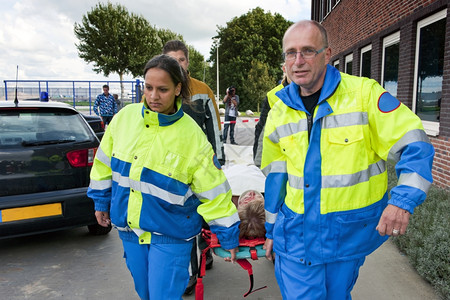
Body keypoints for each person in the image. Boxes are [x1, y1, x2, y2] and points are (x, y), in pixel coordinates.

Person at [261, 20, 435, 299]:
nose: (298, 61)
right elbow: (276, 177)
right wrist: (271, 230)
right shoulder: (279, 110)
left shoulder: (364, 95)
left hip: (345, 236)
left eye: (308, 51)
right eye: (291, 53)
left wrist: (402, 201)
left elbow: (415, 145)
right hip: (294, 235)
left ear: (327, 54)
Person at [87, 54, 239, 300]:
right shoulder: (123, 119)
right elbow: (103, 165)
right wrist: (101, 202)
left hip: (171, 234)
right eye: (148, 88)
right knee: (145, 293)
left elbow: (214, 191)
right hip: (130, 230)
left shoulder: (192, 137)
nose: (154, 96)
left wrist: (228, 234)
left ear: (178, 89)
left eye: (163, 89)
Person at [162, 39, 224, 295]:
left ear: (188, 62)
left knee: (204, 214)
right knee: (183, 218)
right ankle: (190, 273)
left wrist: (218, 162)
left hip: (202, 167)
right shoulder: (162, 91)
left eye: (182, 59)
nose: (178, 64)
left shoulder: (202, 90)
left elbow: (215, 130)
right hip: (172, 169)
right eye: (172, 59)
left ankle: (206, 251)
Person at [253, 64, 290, 167]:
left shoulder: (309, 92)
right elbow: (261, 129)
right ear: (284, 68)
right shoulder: (272, 95)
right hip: (279, 156)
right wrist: (258, 162)